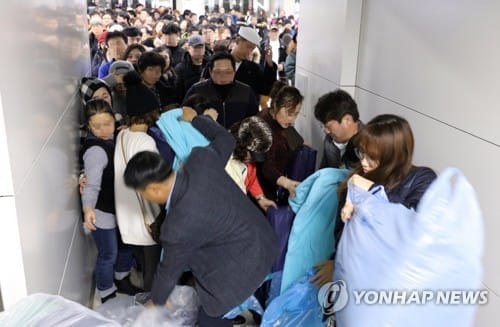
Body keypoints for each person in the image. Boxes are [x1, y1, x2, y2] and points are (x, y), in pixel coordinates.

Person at [123, 108, 278, 326]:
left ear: (153, 189)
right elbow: (225, 139)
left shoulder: (177, 226)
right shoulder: (201, 160)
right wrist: (196, 119)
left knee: (210, 317)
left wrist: (156, 302)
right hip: (264, 241)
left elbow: (168, 271)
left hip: (238, 271)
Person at [310, 114, 437, 287]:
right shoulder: (356, 179)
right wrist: (337, 263)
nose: (364, 162)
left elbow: (410, 228)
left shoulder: (422, 179)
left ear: (394, 156)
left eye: (372, 157)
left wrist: (370, 190)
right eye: (361, 152)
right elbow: (342, 234)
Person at [80, 99, 141, 304]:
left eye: (107, 123)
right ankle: (106, 291)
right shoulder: (96, 151)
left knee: (126, 245)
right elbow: (92, 185)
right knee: (108, 253)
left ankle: (121, 278)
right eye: (96, 126)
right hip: (103, 211)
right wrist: (88, 208)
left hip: (120, 206)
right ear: (88, 126)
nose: (104, 130)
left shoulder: (115, 138)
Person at [114, 71, 163, 291]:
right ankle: (154, 314)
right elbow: (150, 185)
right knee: (153, 270)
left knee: (144, 265)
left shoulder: (123, 136)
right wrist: (157, 215)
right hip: (146, 219)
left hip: (127, 216)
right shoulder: (145, 142)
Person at [184, 51, 258, 129]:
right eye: (218, 72)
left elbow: (255, 121)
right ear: (210, 71)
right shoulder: (197, 90)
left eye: (228, 72)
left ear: (234, 71)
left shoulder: (245, 92)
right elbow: (184, 119)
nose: (223, 76)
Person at [256, 85, 304, 202]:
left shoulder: (280, 121)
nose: (292, 119)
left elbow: (296, 140)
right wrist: (287, 183)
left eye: (296, 114)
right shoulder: (263, 125)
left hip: (274, 186)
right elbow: (266, 166)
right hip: (260, 192)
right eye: (289, 113)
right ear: (276, 105)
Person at [226, 116, 277, 212]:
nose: (253, 160)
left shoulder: (248, 158)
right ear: (241, 146)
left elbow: (251, 176)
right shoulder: (228, 166)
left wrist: (260, 198)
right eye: (253, 156)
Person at [314, 89, 363, 169]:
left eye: (329, 126)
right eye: (323, 126)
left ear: (347, 120)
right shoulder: (330, 140)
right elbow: (324, 173)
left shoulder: (368, 144)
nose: (326, 131)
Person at [174, 35, 208, 100]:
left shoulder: (208, 65)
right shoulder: (181, 68)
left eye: (201, 47)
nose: (199, 50)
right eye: (195, 47)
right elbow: (178, 92)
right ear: (189, 48)